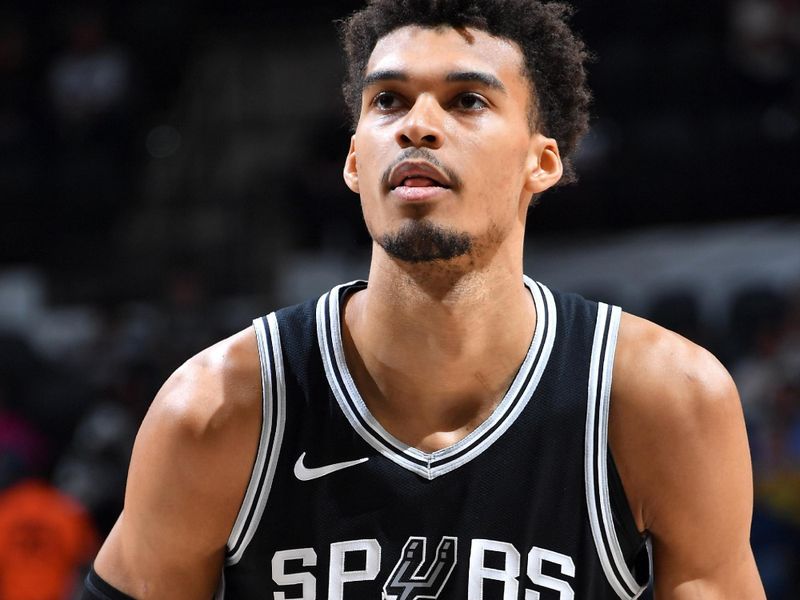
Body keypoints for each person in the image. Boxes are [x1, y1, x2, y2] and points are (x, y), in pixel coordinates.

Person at [83, 1, 766, 598]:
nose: (417, 125)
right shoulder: (216, 411)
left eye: (467, 100)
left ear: (544, 162)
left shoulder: (661, 401)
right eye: (388, 101)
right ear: (354, 160)